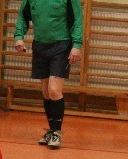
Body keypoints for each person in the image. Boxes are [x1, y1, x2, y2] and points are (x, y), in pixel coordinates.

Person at [14, 0, 83, 149]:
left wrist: (77, 45)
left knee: (54, 90)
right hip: (40, 46)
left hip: (61, 46)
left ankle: (57, 132)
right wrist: (18, 36)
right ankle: (51, 130)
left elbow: (77, 19)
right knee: (46, 92)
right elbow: (23, 16)